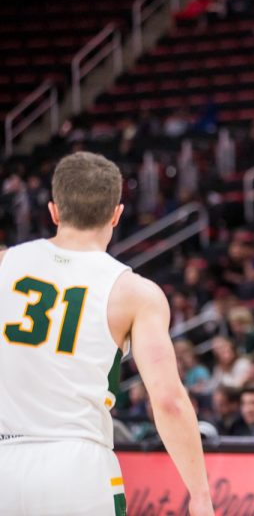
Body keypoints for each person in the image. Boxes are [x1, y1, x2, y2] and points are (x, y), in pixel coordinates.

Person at [0, 152, 212, 515]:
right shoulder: (135, 292)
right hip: (78, 466)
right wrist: (200, 495)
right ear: (116, 214)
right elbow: (168, 401)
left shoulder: (5, 263)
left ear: (53, 211)